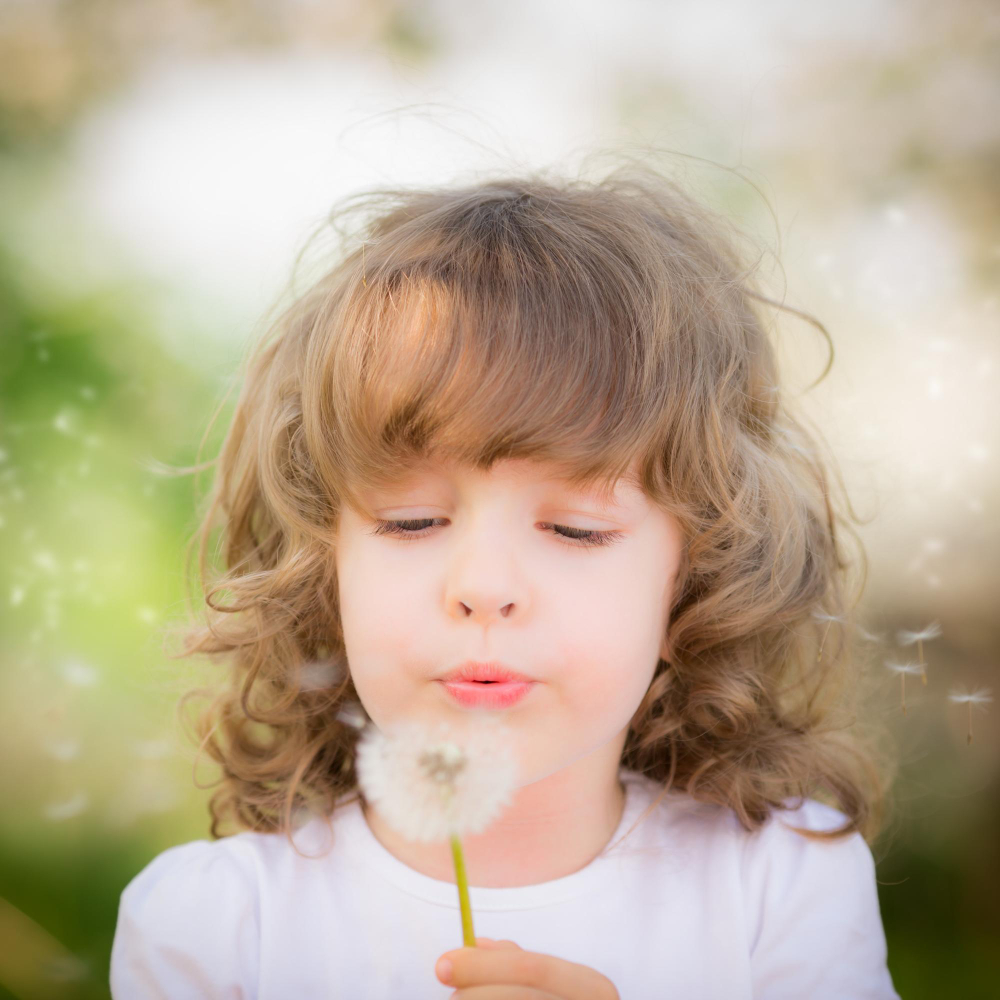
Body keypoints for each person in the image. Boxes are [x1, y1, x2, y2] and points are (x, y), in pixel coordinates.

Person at [110, 162, 902, 999]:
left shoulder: (781, 889)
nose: (483, 587)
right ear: (324, 564)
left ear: (696, 580)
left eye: (575, 529)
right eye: (411, 520)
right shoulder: (216, 929)